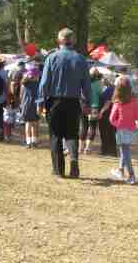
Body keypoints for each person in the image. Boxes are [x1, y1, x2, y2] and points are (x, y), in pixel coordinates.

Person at [37, 28, 90, 179]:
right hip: (73, 102)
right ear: (73, 41)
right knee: (72, 134)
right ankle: (74, 163)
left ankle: (58, 170)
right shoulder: (81, 60)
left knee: (56, 135)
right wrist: (87, 102)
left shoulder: (51, 58)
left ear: (59, 41)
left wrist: (40, 102)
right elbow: (86, 84)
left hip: (55, 101)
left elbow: (44, 83)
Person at [109, 76, 138, 184]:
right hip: (132, 130)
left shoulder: (117, 102)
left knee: (125, 152)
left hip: (121, 130)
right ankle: (120, 170)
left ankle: (131, 175)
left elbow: (111, 119)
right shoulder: (135, 101)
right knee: (125, 150)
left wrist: (118, 124)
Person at [20, 61, 41, 148]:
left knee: (28, 124)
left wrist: (21, 104)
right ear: (36, 75)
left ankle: (28, 142)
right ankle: (34, 141)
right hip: (36, 105)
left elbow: (21, 95)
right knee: (35, 124)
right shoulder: (38, 84)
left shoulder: (24, 83)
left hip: (26, 105)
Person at [80, 68, 102, 154]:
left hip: (84, 107)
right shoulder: (98, 84)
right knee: (92, 127)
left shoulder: (83, 83)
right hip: (94, 107)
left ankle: (81, 148)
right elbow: (101, 94)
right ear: (97, 75)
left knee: (83, 126)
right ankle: (88, 148)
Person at [98, 79, 117, 157]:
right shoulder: (115, 89)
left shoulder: (109, 90)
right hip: (114, 113)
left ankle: (105, 150)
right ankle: (113, 151)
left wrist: (101, 112)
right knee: (112, 132)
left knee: (104, 132)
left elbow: (107, 103)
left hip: (107, 113)